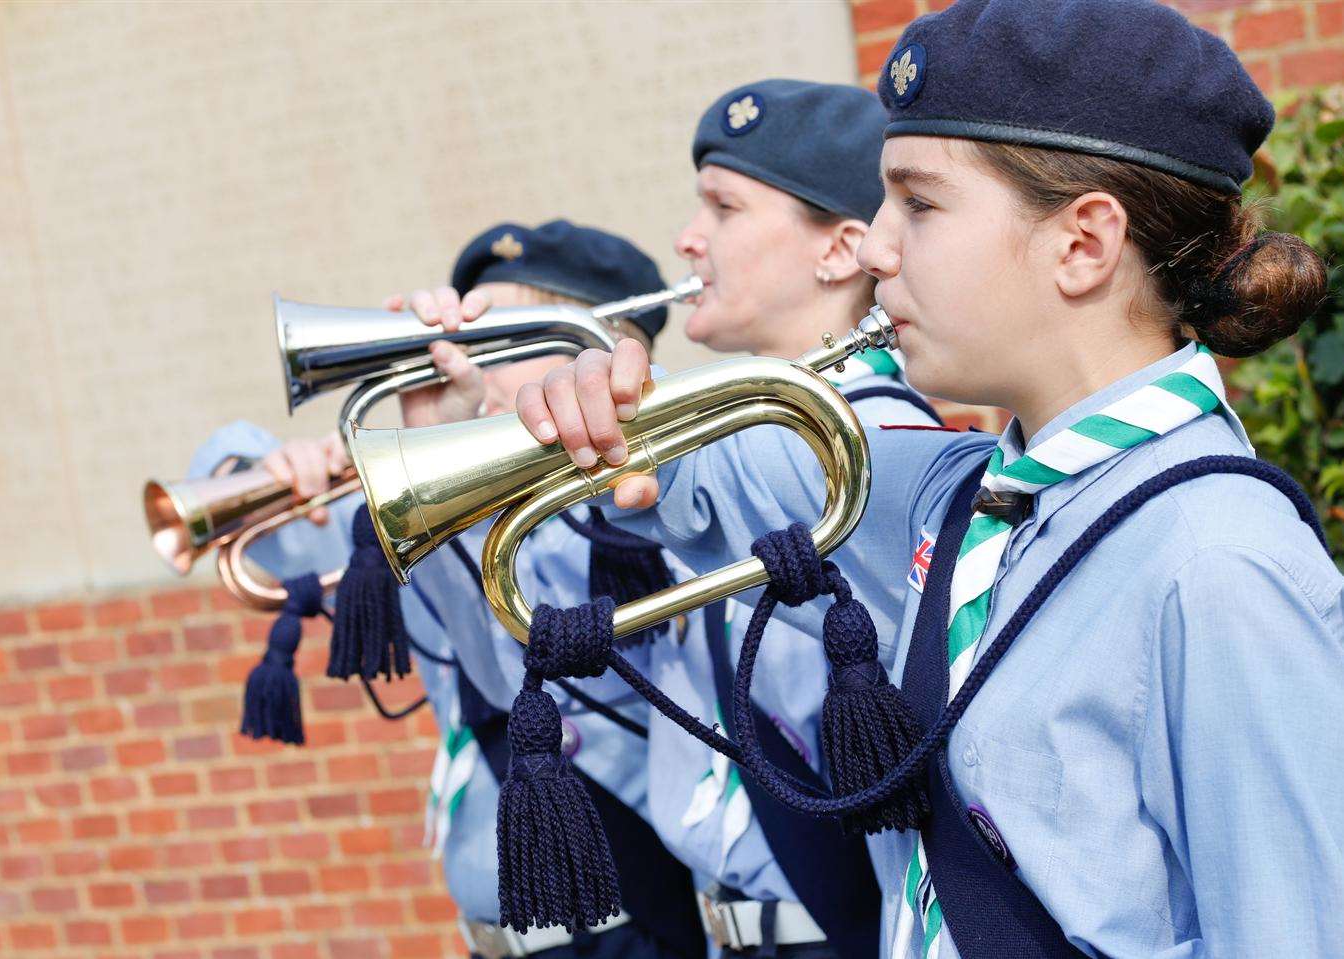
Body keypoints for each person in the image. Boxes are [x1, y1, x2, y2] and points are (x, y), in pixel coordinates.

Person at [508, 3, 1343, 956]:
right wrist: (610, 407)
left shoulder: (1219, 561)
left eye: (920, 202)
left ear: (1084, 244)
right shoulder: (957, 496)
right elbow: (717, 472)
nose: (872, 246)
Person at [406, 80, 941, 958]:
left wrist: (565, 409)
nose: (689, 240)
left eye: (724, 208)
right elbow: (539, 675)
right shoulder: (743, 443)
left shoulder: (864, 440)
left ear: (842, 251)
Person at [193, 220, 706, 959]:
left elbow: (516, 672)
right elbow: (262, 535)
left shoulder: (628, 519)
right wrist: (260, 471)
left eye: (501, 341)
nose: (473, 369)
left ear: (598, 349)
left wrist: (443, 495)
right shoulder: (415, 500)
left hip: (627, 926)